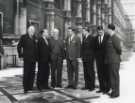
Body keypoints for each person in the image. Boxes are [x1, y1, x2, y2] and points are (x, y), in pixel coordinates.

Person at [17, 25, 37, 93]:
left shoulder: (35, 37)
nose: (32, 31)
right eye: (31, 30)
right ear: (28, 30)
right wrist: (21, 55)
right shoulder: (24, 37)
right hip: (27, 59)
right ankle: (25, 87)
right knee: (26, 73)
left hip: (34, 59)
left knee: (32, 73)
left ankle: (30, 87)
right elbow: (19, 46)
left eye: (33, 31)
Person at [105, 24, 122, 98]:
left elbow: (119, 49)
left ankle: (116, 92)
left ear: (110, 29)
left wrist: (115, 56)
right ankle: (114, 91)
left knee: (115, 76)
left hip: (114, 61)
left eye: (107, 29)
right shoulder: (110, 37)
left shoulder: (115, 38)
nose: (106, 30)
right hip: (110, 60)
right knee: (112, 77)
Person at [94, 26, 110, 93]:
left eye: (101, 30)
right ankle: (101, 88)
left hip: (105, 59)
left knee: (106, 74)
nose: (100, 32)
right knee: (100, 74)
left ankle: (107, 88)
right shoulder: (96, 38)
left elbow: (109, 48)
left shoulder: (107, 37)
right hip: (98, 60)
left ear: (103, 30)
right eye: (98, 31)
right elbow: (94, 48)